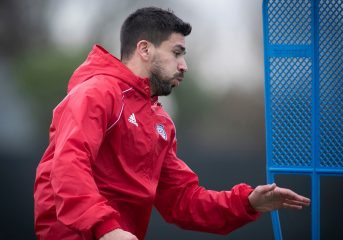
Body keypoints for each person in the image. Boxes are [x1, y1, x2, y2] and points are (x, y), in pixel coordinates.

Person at [34, 7, 310, 240]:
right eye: (177, 52)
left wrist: (246, 203)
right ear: (144, 49)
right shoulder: (96, 93)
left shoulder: (160, 121)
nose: (184, 65)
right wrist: (106, 228)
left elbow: (181, 200)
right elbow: (68, 166)